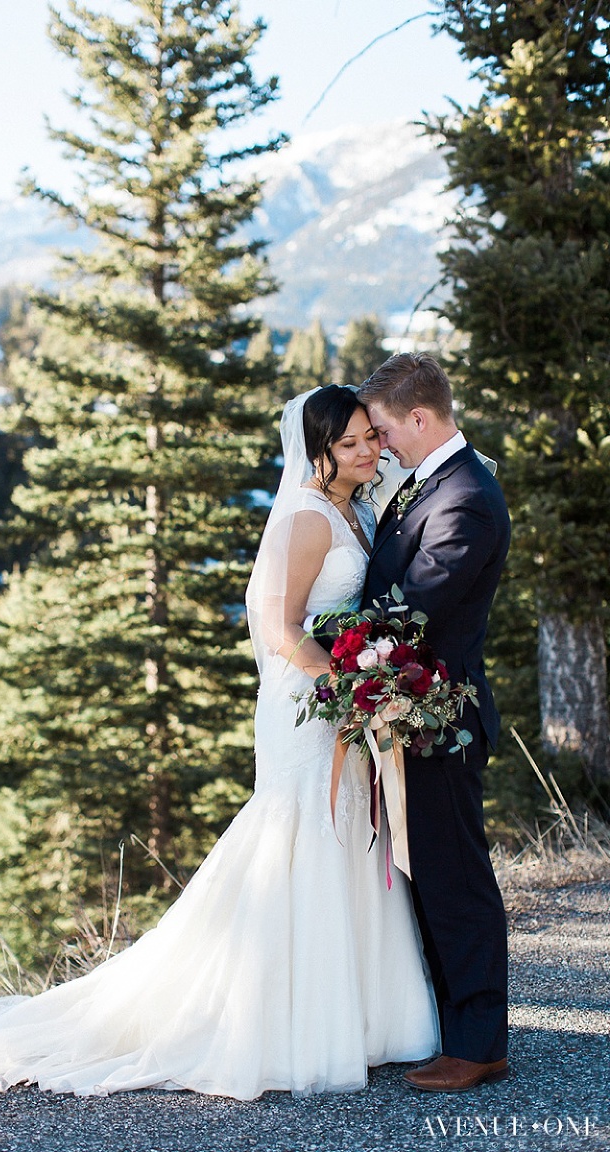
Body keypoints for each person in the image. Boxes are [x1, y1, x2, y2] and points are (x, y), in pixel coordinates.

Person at [0, 385, 439, 1100]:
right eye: (351, 443)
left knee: (345, 839)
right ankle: (276, 1019)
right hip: (310, 700)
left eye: (370, 436)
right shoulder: (304, 518)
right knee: (301, 839)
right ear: (318, 451)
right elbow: (280, 628)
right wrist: (350, 686)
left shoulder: (352, 506)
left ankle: (361, 1016)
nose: (368, 451)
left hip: (340, 699)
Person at [357, 353, 510, 1093]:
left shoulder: (466, 497)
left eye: (384, 429)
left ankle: (478, 1044)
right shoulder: (431, 482)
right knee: (429, 877)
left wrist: (331, 644)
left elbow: (413, 613)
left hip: (440, 717)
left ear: (419, 418)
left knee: (457, 881)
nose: (380, 443)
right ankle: (453, 1027)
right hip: (410, 713)